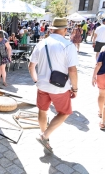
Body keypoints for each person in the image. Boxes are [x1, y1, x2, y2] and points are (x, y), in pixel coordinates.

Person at [28, 17, 78, 153]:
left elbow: (31, 66)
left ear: (52, 29)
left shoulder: (41, 43)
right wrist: (75, 88)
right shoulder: (68, 45)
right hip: (60, 87)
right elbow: (72, 70)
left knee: (42, 110)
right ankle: (44, 136)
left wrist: (35, 81)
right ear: (65, 30)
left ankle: (44, 136)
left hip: (42, 85)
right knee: (64, 112)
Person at [92, 34, 105, 130]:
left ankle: (100, 111)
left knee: (101, 94)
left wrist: (93, 76)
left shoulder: (104, 48)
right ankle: (102, 121)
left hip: (102, 75)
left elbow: (99, 64)